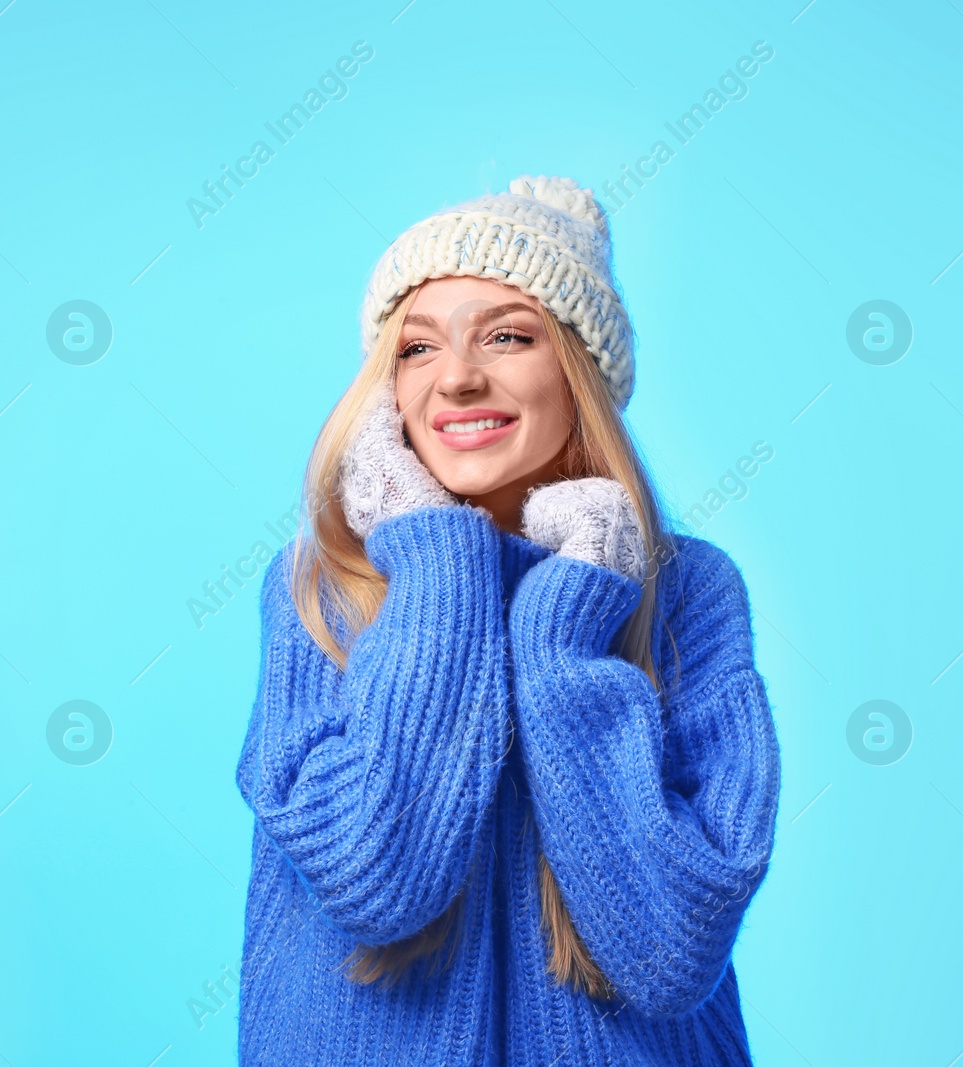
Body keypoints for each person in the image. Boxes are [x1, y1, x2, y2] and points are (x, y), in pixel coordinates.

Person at [235, 176, 783, 1065]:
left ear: (579, 373)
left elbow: (671, 950)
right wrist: (439, 562)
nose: (456, 375)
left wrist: (566, 621)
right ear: (386, 393)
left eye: (507, 335)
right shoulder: (319, 590)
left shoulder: (690, 595)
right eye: (416, 348)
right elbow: (378, 878)